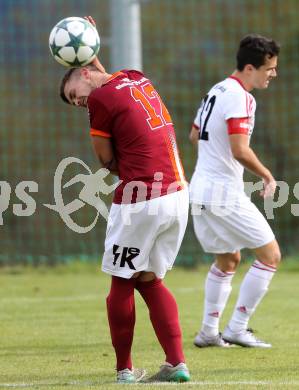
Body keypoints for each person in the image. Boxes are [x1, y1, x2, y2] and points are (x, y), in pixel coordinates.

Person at [59, 16, 190, 384]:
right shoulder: (135, 77)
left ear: (81, 73)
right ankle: (177, 363)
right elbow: (103, 76)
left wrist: (125, 161)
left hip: (140, 199)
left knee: (121, 282)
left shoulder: (99, 99)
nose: (79, 103)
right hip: (178, 194)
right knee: (149, 280)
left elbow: (104, 160)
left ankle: (124, 371)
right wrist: (93, 45)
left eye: (74, 95)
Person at [189, 34, 281, 348]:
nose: (273, 74)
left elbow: (193, 135)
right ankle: (238, 328)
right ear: (251, 68)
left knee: (228, 261)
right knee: (270, 256)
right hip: (222, 193)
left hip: (200, 188)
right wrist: (267, 174)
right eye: (269, 69)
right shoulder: (242, 97)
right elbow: (240, 149)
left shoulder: (216, 89)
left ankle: (208, 333)